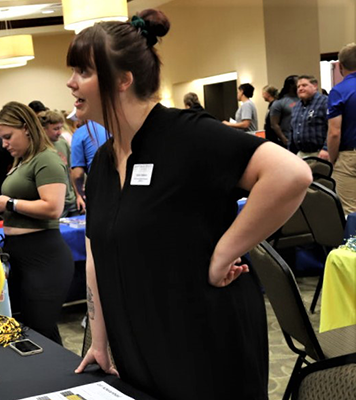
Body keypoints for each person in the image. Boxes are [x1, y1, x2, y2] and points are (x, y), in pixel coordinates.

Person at [67, 10, 311, 400]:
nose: (71, 81)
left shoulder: (188, 135)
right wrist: (99, 338)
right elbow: (98, 247)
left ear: (123, 80)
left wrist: (224, 253)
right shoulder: (103, 160)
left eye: (83, 71)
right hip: (138, 339)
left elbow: (291, 175)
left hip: (202, 338)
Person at [0, 102, 73, 345]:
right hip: (21, 255)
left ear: (26, 128)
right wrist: (3, 206)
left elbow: (53, 208)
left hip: (43, 256)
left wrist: (9, 203)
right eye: (1, 138)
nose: (4, 144)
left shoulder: (46, 160)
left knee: (41, 331)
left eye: (8, 136)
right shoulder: (22, 161)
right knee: (29, 330)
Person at [325, 43, 356, 213]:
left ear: (341, 66)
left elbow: (334, 132)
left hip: (350, 156)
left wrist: (333, 158)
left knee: (350, 213)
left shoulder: (339, 91)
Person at [39, 109, 83, 216]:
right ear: (43, 129)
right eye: (55, 129)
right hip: (55, 203)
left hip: (71, 201)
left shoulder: (62, 143)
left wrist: (78, 196)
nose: (59, 132)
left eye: (60, 128)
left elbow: (70, 171)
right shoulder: (38, 149)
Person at [290, 75, 329, 157]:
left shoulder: (325, 102)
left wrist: (326, 149)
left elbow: (332, 128)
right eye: (298, 87)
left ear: (315, 86)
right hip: (300, 154)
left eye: (304, 85)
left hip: (320, 153)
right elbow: (292, 131)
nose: (300, 89)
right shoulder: (296, 107)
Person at [70, 121, 108, 201]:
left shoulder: (80, 133)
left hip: (98, 187)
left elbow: (78, 174)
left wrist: (80, 193)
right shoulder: (113, 127)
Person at [270, 75, 299, 147]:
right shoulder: (279, 102)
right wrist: (284, 139)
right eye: (298, 82)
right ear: (291, 85)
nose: (300, 85)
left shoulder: (302, 99)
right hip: (288, 140)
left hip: (301, 140)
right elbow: (274, 124)